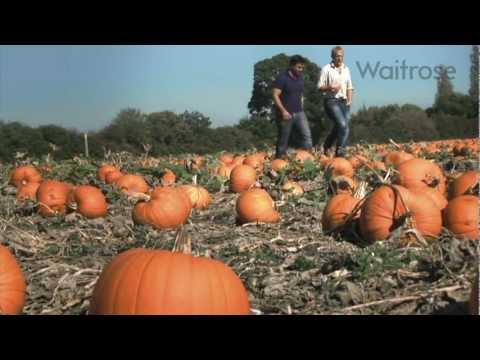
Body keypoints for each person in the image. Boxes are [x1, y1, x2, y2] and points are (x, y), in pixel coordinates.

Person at [272, 55, 313, 159]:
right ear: (291, 66)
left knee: (307, 136)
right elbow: (275, 95)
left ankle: (306, 159)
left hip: (299, 113)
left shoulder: (301, 78)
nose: (301, 69)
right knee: (283, 140)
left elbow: (301, 94)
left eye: (302, 67)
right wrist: (283, 111)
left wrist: (301, 106)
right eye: (299, 67)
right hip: (286, 113)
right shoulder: (282, 78)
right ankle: (278, 162)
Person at [318, 46, 354, 158]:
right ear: (332, 57)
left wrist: (350, 100)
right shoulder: (326, 69)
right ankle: (340, 154)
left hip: (344, 102)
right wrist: (329, 87)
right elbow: (319, 87)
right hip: (331, 101)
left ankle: (327, 146)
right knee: (343, 125)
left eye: (342, 56)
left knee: (342, 126)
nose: (340, 58)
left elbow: (350, 87)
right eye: (337, 56)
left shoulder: (346, 69)